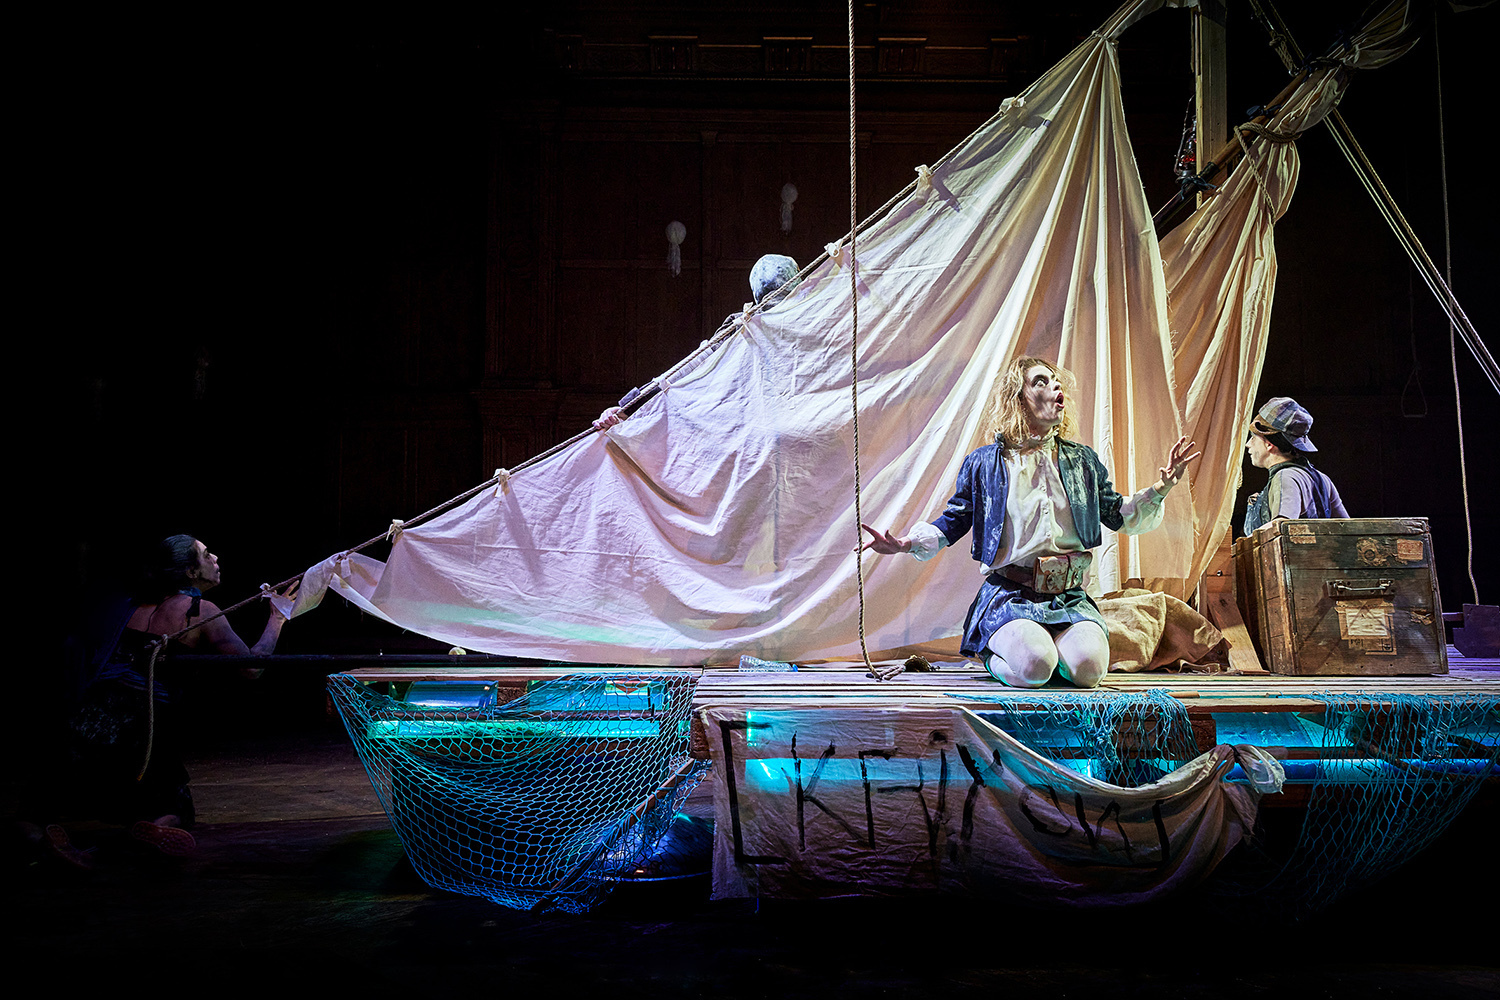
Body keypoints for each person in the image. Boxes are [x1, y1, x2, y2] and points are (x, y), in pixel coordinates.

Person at [861, 357, 1198, 689]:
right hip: (1012, 596)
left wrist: (1161, 487)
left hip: (1069, 598)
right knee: (1035, 668)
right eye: (1040, 381)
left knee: (1089, 672)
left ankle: (1048, 652)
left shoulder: (1081, 461)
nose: (1055, 386)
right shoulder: (985, 464)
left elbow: (1117, 514)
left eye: (1056, 381)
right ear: (1018, 398)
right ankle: (992, 653)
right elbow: (955, 519)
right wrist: (904, 544)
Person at [48, 534, 291, 860]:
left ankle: (38, 834)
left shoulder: (130, 606)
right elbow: (252, 668)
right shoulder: (198, 611)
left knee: (53, 799)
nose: (216, 558)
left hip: (88, 717)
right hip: (140, 726)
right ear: (190, 571)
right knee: (174, 806)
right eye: (206, 554)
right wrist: (277, 618)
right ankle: (154, 827)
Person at [594, 254, 800, 432]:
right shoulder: (743, 326)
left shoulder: (808, 324)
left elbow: (686, 368)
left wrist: (628, 407)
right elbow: (686, 368)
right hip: (766, 432)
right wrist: (627, 408)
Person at [1242, 396, 1348, 534]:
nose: (1248, 444)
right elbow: (1346, 527)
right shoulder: (1322, 478)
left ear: (1269, 444)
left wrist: (1243, 544)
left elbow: (1281, 527)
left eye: (1253, 437)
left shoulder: (1286, 477)